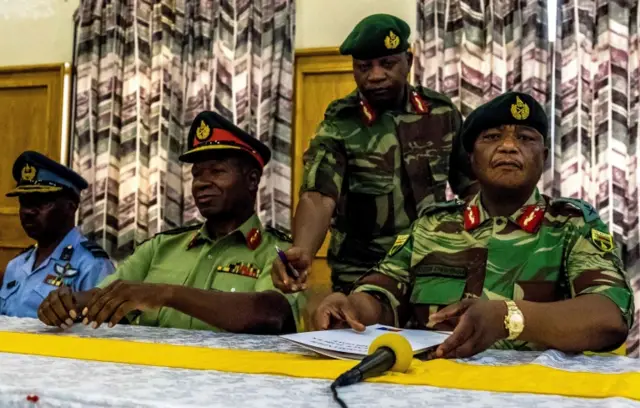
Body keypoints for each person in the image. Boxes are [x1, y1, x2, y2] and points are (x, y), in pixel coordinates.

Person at [313, 92, 634, 357]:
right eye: (492, 137)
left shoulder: (571, 225)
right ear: (471, 158)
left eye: (525, 137)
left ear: (544, 156)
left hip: (535, 396)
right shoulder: (432, 225)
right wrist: (352, 306)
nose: (509, 146)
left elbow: (609, 316)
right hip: (428, 391)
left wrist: (510, 317)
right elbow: (383, 294)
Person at [38, 111, 300, 334]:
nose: (202, 183)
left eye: (217, 171)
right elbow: (109, 298)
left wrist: (165, 294)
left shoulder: (279, 253)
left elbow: (272, 314)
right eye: (197, 174)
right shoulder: (161, 247)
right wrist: (68, 301)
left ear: (253, 180)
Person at [272, 14, 477, 294]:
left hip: (432, 268)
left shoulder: (440, 113)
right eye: (364, 66)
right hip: (362, 275)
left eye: (387, 64)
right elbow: (319, 195)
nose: (376, 75)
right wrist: (303, 249)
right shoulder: (339, 124)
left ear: (409, 61)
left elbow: (471, 186)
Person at [1, 151, 115, 320]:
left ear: (71, 207)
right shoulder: (16, 266)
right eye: (24, 202)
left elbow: (101, 335)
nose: (28, 211)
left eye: (44, 202)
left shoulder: (91, 264)